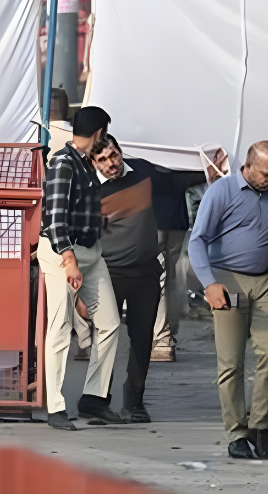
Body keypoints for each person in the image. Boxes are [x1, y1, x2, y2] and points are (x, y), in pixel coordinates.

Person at [190, 141, 268, 460]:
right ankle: (236, 432)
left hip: (267, 281)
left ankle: (259, 426)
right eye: (267, 174)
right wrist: (209, 284)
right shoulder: (221, 191)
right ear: (249, 165)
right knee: (231, 361)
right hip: (226, 279)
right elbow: (197, 240)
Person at [38, 106, 122, 430]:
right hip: (63, 254)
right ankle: (56, 407)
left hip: (90, 253)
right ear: (98, 132)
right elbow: (55, 218)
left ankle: (93, 398)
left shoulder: (85, 163)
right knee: (59, 327)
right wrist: (70, 262)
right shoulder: (63, 163)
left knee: (111, 323)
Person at [80, 135, 166, 423]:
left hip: (145, 272)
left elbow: (176, 179)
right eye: (102, 159)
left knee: (142, 340)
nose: (111, 163)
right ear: (93, 163)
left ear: (121, 152)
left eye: (114, 155)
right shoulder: (88, 190)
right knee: (104, 337)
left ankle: (135, 402)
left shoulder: (143, 171)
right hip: (107, 275)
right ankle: (97, 401)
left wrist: (208, 169)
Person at [151, 151, 218, 362]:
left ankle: (161, 339)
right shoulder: (182, 150)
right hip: (177, 219)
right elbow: (194, 175)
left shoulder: (150, 148)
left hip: (152, 218)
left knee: (157, 279)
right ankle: (166, 337)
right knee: (170, 276)